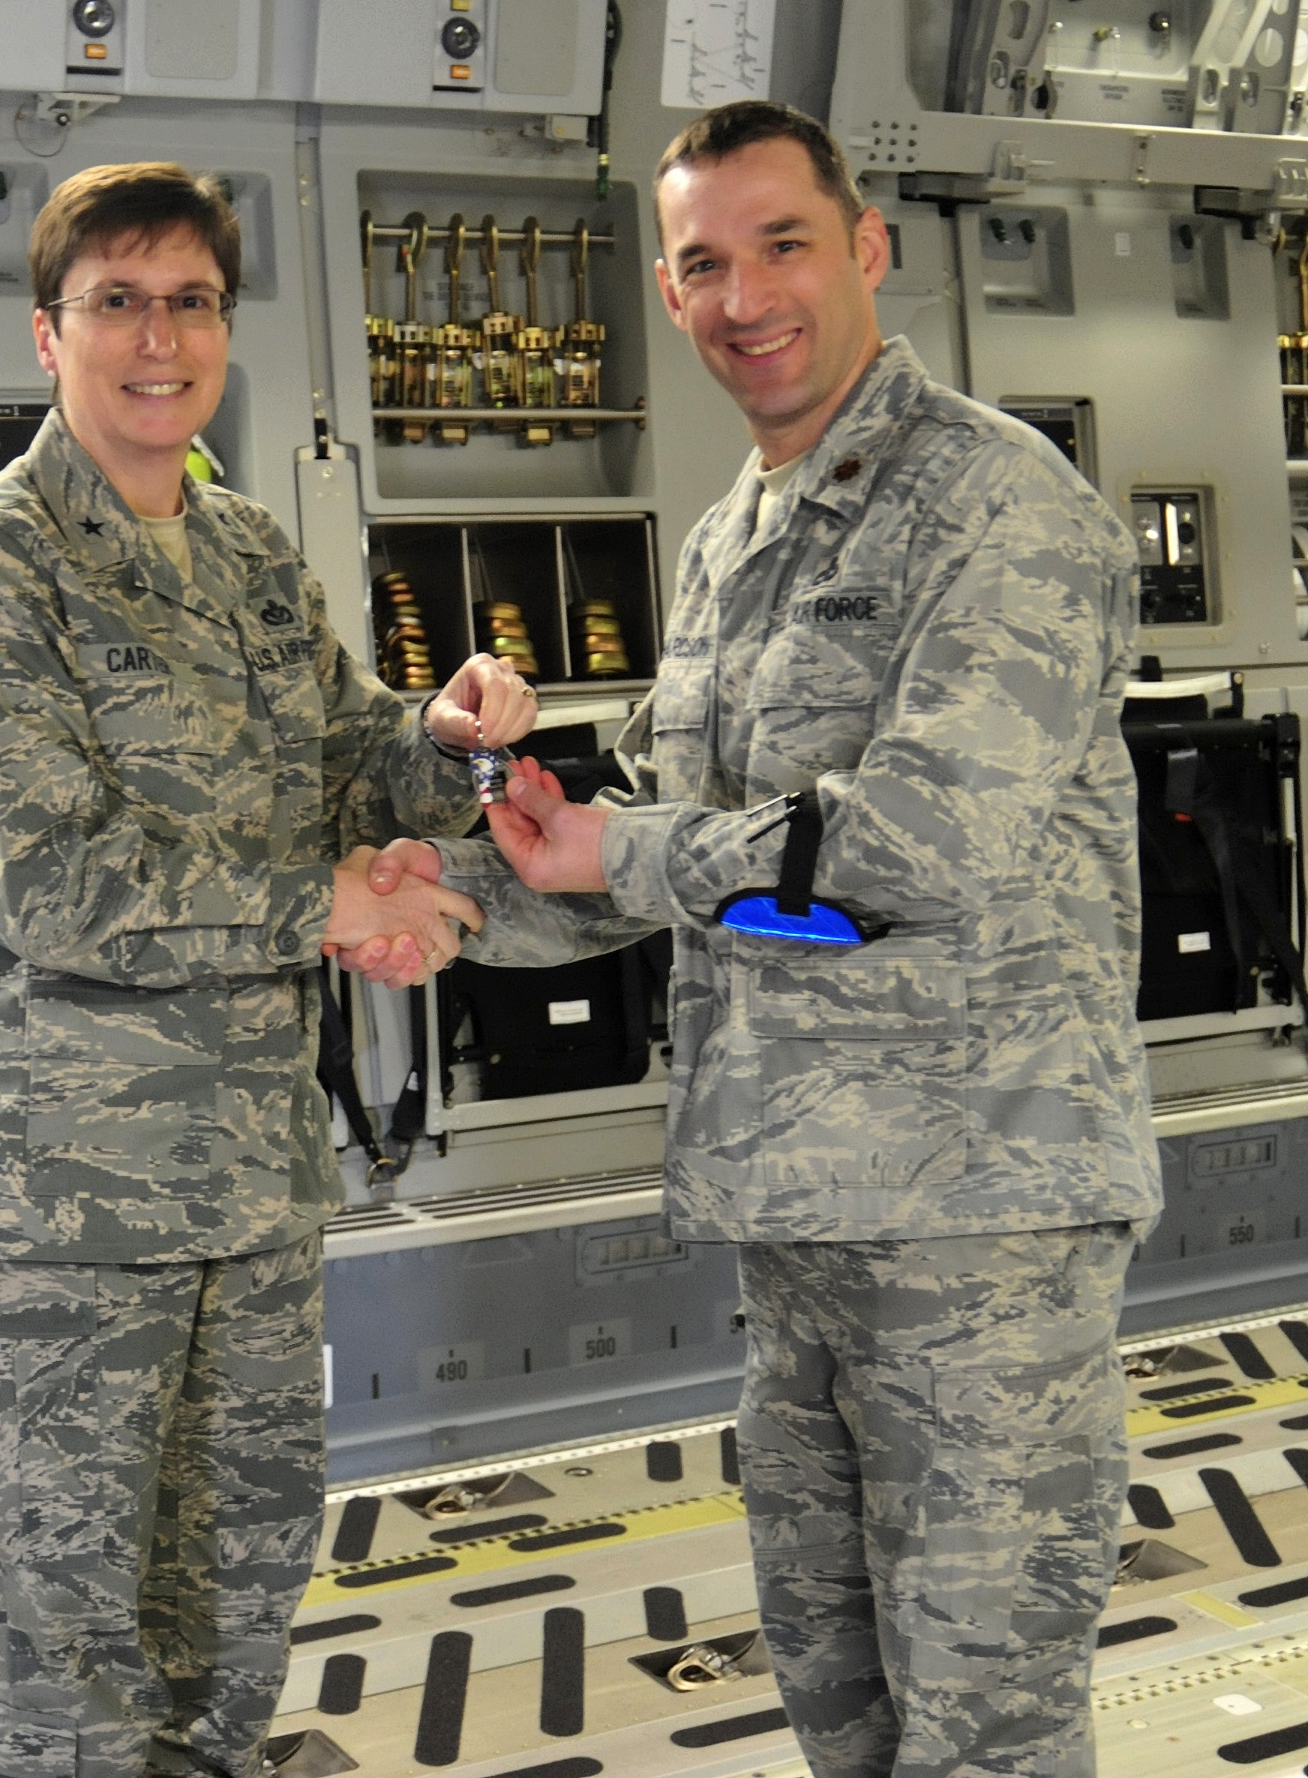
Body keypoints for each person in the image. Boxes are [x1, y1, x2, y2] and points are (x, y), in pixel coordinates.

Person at [360, 101, 1164, 1776]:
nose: (747, 296)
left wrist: (622, 844)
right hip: (799, 1224)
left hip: (978, 1231)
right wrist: (436, 903)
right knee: (843, 1703)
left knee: (987, 1727)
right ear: (668, 290)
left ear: (866, 248)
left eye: (783, 244)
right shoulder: (738, 536)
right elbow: (664, 835)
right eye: (705, 262)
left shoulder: (1000, 507)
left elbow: (915, 850)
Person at [0, 161, 536, 1778]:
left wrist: (442, 747)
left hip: (248, 1192)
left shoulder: (245, 550)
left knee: (232, 1622)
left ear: (225, 332)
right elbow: (54, 884)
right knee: (68, 1665)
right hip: (59, 1226)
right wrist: (322, 903)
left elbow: (343, 759)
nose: (156, 337)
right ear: (50, 336)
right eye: (117, 302)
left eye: (188, 301)